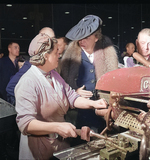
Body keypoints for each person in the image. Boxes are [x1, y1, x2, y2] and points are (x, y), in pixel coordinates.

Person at [14, 33, 108, 160]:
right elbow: (26, 124)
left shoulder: (53, 74)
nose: (59, 55)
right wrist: (57, 127)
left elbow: (71, 97)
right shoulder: (28, 82)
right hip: (38, 148)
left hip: (59, 144)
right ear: (45, 56)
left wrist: (94, 104)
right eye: (56, 52)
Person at [60, 15, 118, 135]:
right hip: (79, 113)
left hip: (102, 110)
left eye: (86, 38)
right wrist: (75, 92)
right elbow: (62, 84)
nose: (82, 41)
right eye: (80, 38)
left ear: (96, 37)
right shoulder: (70, 57)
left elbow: (114, 81)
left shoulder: (107, 54)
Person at [6, 27, 55, 106]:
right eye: (49, 38)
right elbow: (11, 87)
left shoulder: (50, 67)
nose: (52, 43)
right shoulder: (30, 66)